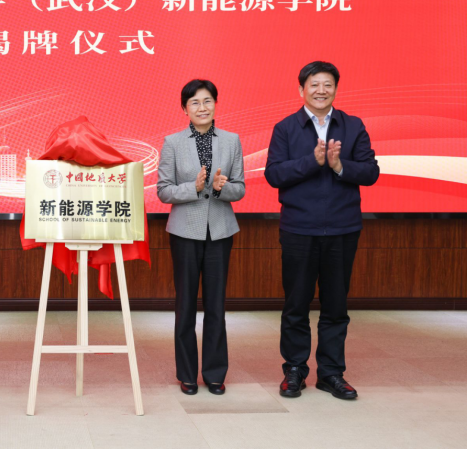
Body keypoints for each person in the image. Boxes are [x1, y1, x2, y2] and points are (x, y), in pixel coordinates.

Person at [265, 61, 379, 400]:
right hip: (299, 229)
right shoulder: (286, 128)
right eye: (314, 84)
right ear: (301, 89)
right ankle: (294, 370)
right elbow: (273, 174)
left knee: (335, 306)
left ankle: (331, 373)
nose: (321, 90)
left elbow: (371, 172)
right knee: (296, 305)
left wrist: (339, 165)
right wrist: (312, 162)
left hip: (343, 229)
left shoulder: (353, 126)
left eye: (327, 84)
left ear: (336, 89)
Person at [157, 79, 245, 396]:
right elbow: (163, 191)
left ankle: (215, 373)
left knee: (216, 306)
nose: (202, 107)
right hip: (185, 232)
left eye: (207, 101)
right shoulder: (172, 142)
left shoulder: (232, 141)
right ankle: (187, 374)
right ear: (185, 108)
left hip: (220, 231)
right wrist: (192, 188)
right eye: (194, 102)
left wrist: (223, 188)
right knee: (185, 305)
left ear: (215, 104)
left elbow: (240, 188)